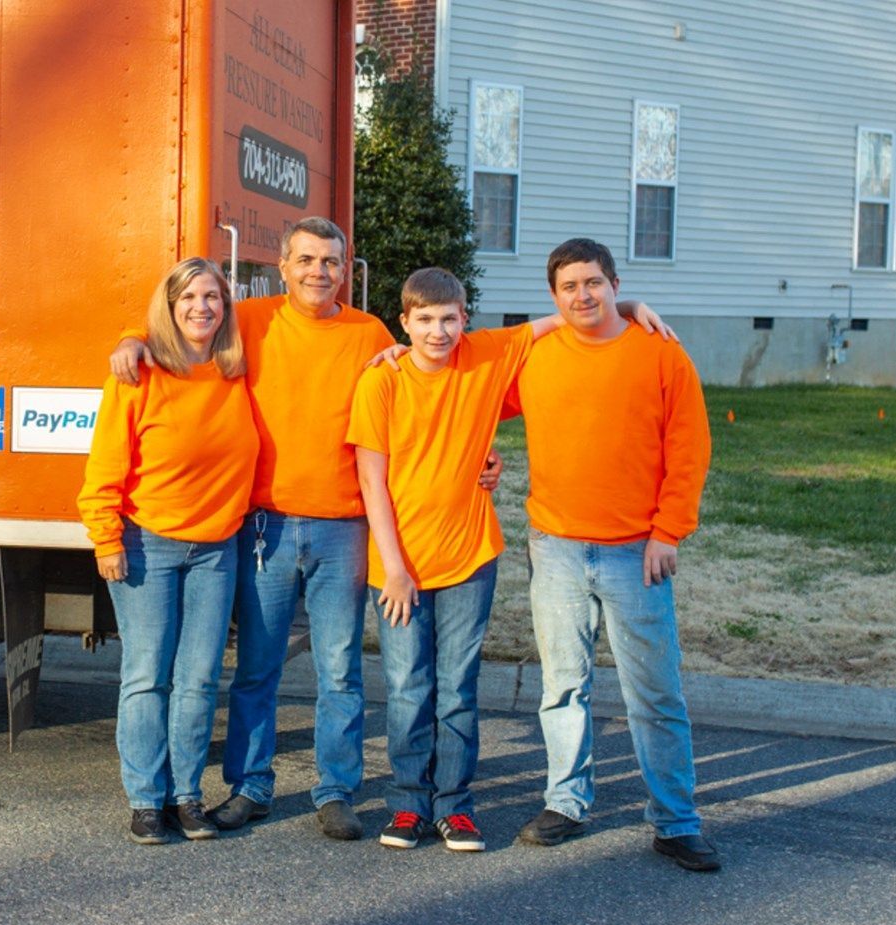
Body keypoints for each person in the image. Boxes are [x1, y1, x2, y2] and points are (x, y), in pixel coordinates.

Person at [109, 218, 500, 841]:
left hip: (345, 526)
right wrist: (132, 338)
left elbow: (424, 402)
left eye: (332, 261)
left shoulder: (372, 333)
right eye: (308, 260)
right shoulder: (252, 321)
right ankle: (250, 786)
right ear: (283, 266)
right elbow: (184, 320)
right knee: (257, 667)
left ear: (346, 271)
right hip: (263, 526)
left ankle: (336, 788)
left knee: (339, 668)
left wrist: (482, 456)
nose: (320, 271)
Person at [506, 238, 718, 871]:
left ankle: (675, 820)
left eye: (593, 283)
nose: (582, 295)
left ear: (614, 284)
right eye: (569, 286)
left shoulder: (658, 353)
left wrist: (668, 531)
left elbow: (689, 446)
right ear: (553, 295)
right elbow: (463, 401)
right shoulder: (535, 356)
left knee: (654, 691)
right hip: (557, 548)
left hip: (636, 551)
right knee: (562, 685)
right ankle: (566, 801)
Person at [347, 267, 574, 851]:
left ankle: (455, 805)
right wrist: (394, 569)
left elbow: (567, 316)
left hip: (470, 557)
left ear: (465, 318)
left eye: (449, 318)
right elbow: (372, 482)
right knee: (406, 686)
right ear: (405, 322)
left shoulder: (487, 355)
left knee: (457, 687)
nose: (438, 331)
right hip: (398, 566)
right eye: (424, 319)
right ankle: (406, 805)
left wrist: (635, 305)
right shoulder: (383, 381)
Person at [78, 258, 258, 845]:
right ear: (170, 305)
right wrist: (106, 537)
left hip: (217, 549)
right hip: (146, 542)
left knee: (200, 678)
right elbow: (105, 465)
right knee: (147, 675)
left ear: (226, 306)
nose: (202, 307)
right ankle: (145, 800)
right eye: (188, 297)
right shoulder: (139, 374)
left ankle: (186, 795)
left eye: (212, 296)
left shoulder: (239, 370)